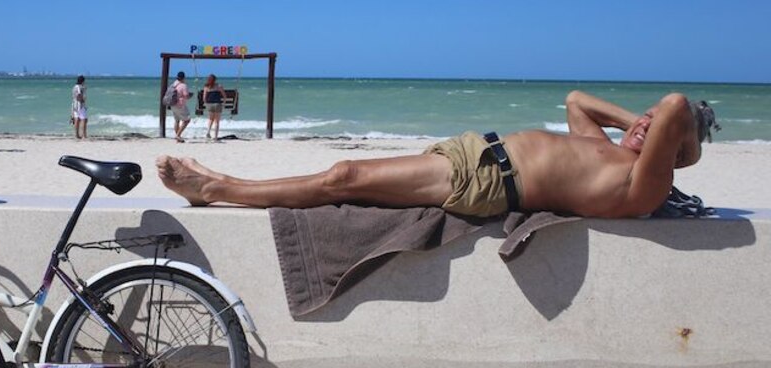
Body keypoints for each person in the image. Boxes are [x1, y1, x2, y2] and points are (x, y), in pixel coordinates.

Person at [157, 91, 720, 219]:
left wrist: (665, 139)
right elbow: (576, 100)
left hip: (487, 183)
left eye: (659, 129)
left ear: (679, 151)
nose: (646, 120)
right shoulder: (606, 148)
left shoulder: (642, 186)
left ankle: (215, 187)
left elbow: (673, 105)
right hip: (474, 153)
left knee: (343, 175)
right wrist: (638, 123)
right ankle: (217, 183)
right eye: (642, 118)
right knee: (348, 177)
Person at [170, 71, 193, 143]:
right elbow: (186, 96)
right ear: (183, 78)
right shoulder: (183, 85)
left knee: (177, 121)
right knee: (187, 120)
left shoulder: (173, 84)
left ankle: (178, 138)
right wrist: (191, 95)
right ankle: (178, 135)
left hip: (172, 104)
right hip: (180, 105)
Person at [202, 74, 225, 141]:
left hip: (209, 105)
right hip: (217, 104)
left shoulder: (206, 87)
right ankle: (215, 137)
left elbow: (204, 98)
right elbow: (224, 95)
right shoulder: (219, 86)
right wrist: (224, 102)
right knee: (217, 121)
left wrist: (206, 104)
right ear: (215, 80)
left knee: (211, 119)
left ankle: (208, 132)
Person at [72, 75, 88, 139]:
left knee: (77, 120)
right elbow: (79, 95)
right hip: (80, 105)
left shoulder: (74, 87)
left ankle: (77, 135)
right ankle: (84, 135)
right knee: (84, 119)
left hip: (75, 105)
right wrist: (82, 100)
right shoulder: (79, 87)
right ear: (82, 81)